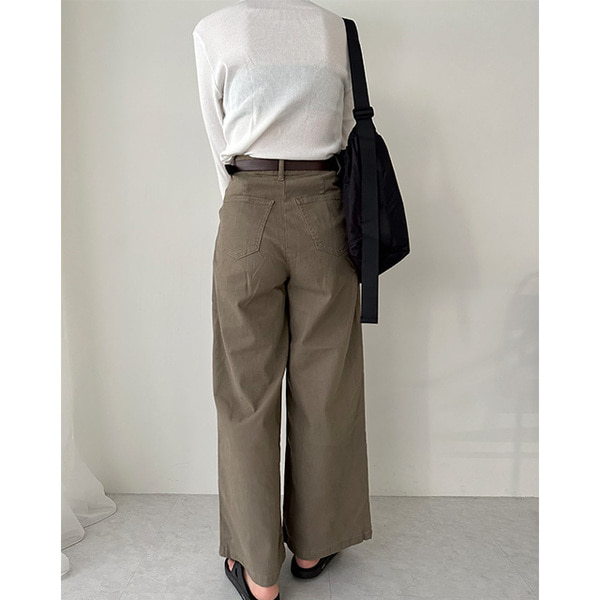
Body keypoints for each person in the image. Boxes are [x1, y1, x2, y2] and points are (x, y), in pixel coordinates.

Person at [192, 2, 372, 599]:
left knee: (246, 393)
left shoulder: (213, 30)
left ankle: (257, 571)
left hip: (247, 206)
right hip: (325, 210)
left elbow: (216, 133)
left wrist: (250, 200)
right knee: (326, 384)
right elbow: (345, 127)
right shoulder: (335, 29)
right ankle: (314, 546)